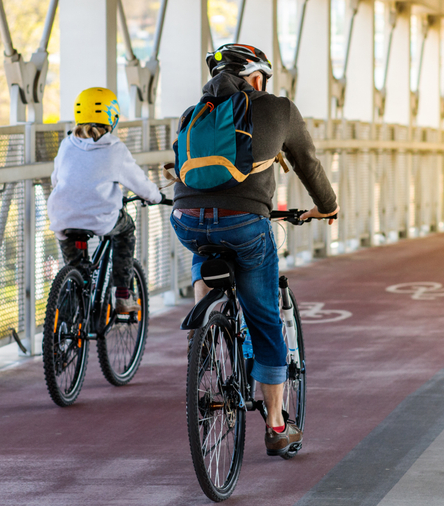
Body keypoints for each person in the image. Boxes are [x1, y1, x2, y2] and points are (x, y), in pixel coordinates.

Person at [170, 43, 339, 457]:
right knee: (264, 317)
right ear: (259, 77)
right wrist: (328, 207)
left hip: (186, 220)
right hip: (245, 222)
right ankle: (278, 425)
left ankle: (203, 337)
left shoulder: (194, 114)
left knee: (205, 244)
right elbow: (308, 163)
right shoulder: (278, 108)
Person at [47, 87, 163, 314]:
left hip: (63, 216)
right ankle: (122, 295)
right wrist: (156, 196)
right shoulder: (115, 149)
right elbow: (140, 184)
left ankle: (68, 319)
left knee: (76, 269)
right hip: (101, 219)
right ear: (113, 118)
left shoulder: (66, 145)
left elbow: (55, 180)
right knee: (126, 228)